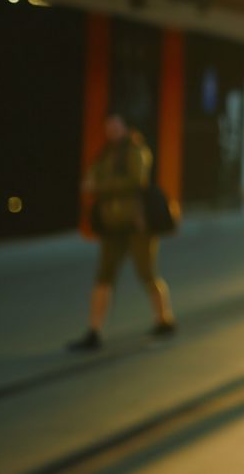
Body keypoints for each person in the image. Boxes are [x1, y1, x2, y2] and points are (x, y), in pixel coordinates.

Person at [68, 114, 176, 352]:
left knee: (147, 273)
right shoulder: (106, 153)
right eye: (108, 127)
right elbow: (89, 179)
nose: (112, 130)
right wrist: (96, 183)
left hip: (138, 224)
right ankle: (94, 331)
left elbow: (136, 179)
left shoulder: (136, 149)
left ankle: (164, 319)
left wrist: (100, 185)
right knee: (103, 277)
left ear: (125, 127)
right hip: (111, 225)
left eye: (116, 126)